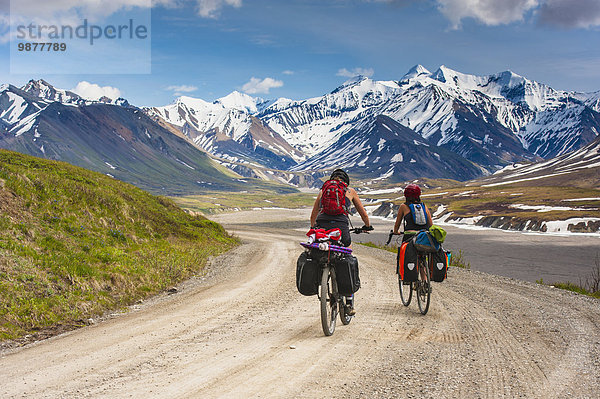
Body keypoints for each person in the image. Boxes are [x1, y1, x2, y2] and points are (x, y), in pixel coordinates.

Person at [310, 169, 372, 316]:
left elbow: (313, 215)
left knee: (320, 251)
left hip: (322, 224)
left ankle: (321, 278)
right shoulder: (349, 191)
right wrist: (367, 225)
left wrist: (313, 228)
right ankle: (349, 302)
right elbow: (363, 213)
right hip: (341, 225)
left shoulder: (323, 191)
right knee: (347, 256)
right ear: (346, 181)